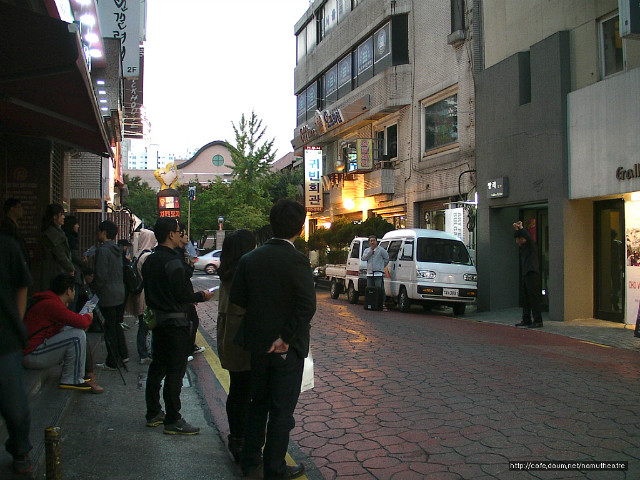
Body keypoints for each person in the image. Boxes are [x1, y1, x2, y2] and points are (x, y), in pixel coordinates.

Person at [230, 199, 316, 480]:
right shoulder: (297, 260)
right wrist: (286, 337)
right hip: (287, 349)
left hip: (257, 344)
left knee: (258, 403)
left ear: (271, 224)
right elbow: (307, 305)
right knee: (281, 411)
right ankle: (275, 468)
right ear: (300, 228)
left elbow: (238, 298)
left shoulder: (250, 259)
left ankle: (250, 459)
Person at [142, 218, 215, 435]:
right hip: (176, 323)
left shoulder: (149, 260)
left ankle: (153, 412)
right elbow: (182, 294)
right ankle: (173, 419)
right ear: (171, 235)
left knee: (157, 368)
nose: (180, 234)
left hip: (158, 322)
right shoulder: (172, 262)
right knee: (175, 372)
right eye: (178, 231)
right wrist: (201, 296)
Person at [216, 229, 256, 463]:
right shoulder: (245, 274)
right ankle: (242, 441)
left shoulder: (227, 272)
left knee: (238, 389)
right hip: (243, 335)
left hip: (229, 334)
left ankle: (237, 438)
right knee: (245, 392)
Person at [23, 274, 93, 391]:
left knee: (72, 330)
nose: (74, 293)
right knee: (77, 335)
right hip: (32, 355)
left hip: (34, 351)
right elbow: (82, 322)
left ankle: (75, 374)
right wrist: (89, 316)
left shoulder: (50, 301)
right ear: (68, 291)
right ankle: (72, 379)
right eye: (73, 289)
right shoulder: (51, 304)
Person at [0, 233, 34, 474]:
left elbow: (22, 284)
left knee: (15, 406)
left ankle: (20, 449)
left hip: (4, 338)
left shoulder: (7, 246)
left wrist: (16, 322)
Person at [94, 220, 128, 369]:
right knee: (116, 325)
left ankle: (112, 360)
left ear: (104, 232)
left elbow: (101, 275)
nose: (97, 234)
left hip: (107, 294)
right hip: (120, 292)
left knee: (109, 328)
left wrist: (94, 288)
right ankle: (123, 354)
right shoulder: (117, 250)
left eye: (98, 231)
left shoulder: (103, 250)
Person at [124, 228, 157, 364]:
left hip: (139, 293)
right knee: (146, 326)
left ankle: (144, 352)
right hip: (145, 294)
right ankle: (144, 354)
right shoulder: (147, 256)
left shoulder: (138, 255)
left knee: (143, 325)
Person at [176, 222, 205, 359]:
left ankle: (189, 347)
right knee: (188, 322)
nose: (187, 237)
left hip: (185, 296)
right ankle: (186, 350)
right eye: (183, 233)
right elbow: (183, 276)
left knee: (192, 321)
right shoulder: (175, 256)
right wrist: (192, 297)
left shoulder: (180, 253)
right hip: (182, 299)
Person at [513, 221, 543, 328]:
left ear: (523, 239)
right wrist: (516, 230)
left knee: (534, 298)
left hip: (532, 273)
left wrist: (521, 228)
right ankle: (526, 319)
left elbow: (527, 237)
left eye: (519, 239)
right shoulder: (523, 248)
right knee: (525, 298)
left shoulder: (531, 245)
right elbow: (519, 236)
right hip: (526, 273)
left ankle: (538, 320)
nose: (517, 241)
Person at [39, 203, 74, 293]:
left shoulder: (56, 231)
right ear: (55, 216)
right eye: (61, 214)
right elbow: (60, 254)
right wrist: (70, 268)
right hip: (55, 272)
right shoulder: (52, 233)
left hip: (57, 272)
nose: (63, 217)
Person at [62, 215, 86, 312]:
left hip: (70, 274)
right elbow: (74, 257)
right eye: (76, 224)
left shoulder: (66, 237)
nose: (78, 226)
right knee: (72, 303)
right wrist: (82, 263)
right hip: (72, 274)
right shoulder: (70, 239)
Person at [361, 234, 390, 306]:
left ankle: (381, 303)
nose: (372, 242)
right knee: (369, 289)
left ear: (376, 241)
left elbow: (387, 258)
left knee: (379, 289)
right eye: (371, 241)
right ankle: (371, 303)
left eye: (373, 240)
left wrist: (381, 266)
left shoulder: (381, 250)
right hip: (369, 273)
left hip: (378, 273)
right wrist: (370, 251)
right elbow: (363, 258)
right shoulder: (367, 250)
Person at [0, 198, 29, 266]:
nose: (21, 210)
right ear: (12, 209)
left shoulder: (12, 226)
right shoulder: (7, 227)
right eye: (19, 207)